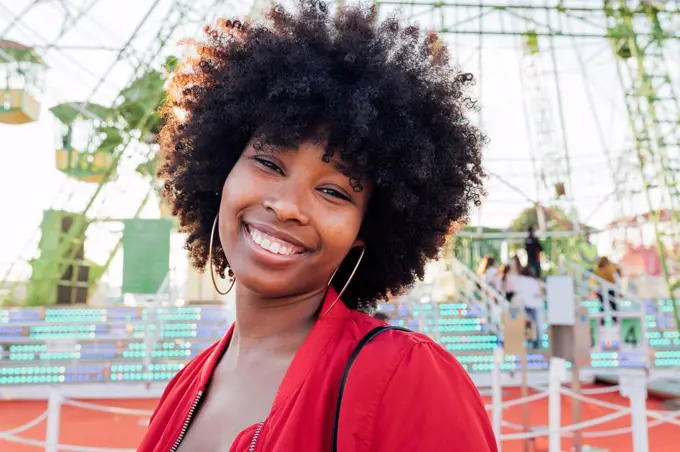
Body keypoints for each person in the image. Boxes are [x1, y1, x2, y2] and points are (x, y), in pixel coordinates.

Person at [137, 3, 496, 452]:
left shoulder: (404, 377)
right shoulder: (183, 387)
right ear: (221, 171)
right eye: (268, 163)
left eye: (335, 193)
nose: (288, 206)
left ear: (368, 227)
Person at [514, 266, 543, 349]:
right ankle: (537, 344)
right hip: (534, 305)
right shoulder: (534, 281)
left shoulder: (520, 280)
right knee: (536, 325)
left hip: (524, 305)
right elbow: (539, 294)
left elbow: (516, 291)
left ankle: (528, 343)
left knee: (527, 324)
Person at [594, 256, 619, 325]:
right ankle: (614, 320)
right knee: (611, 305)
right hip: (608, 289)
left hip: (602, 289)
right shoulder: (610, 267)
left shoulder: (598, 269)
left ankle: (603, 321)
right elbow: (614, 278)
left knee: (604, 306)